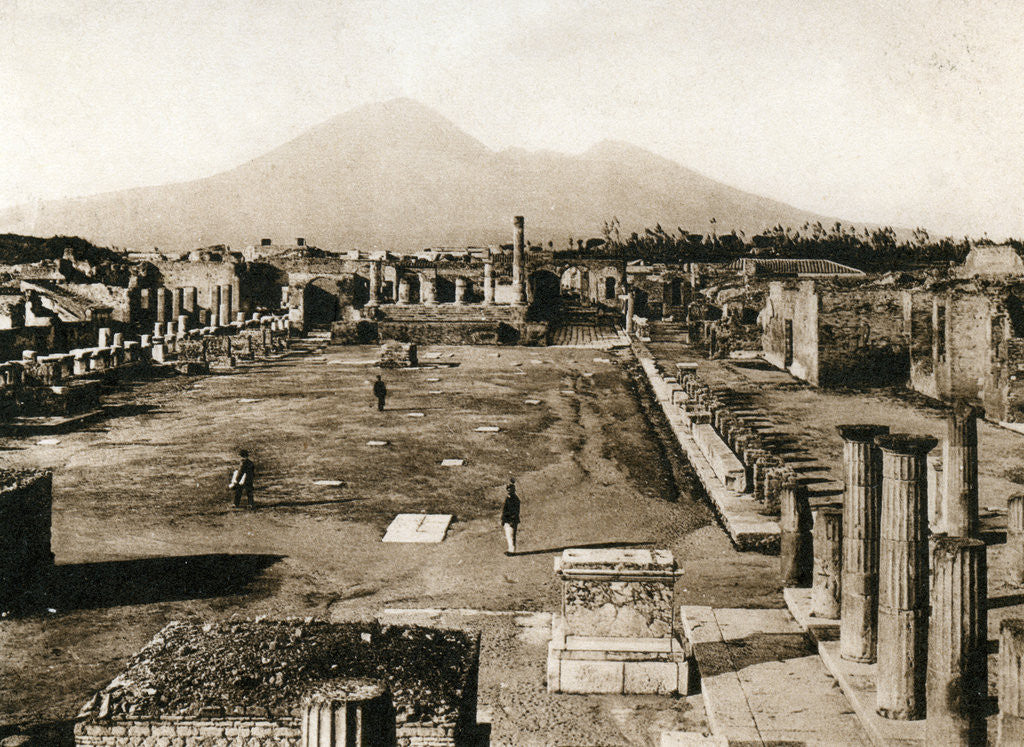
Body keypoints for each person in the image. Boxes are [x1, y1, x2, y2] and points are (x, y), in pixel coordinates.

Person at [501, 476, 521, 555]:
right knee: (508, 535)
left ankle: (512, 550)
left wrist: (512, 520)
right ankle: (510, 549)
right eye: (508, 490)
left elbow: (515, 511)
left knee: (511, 535)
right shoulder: (509, 498)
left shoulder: (514, 499)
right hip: (507, 520)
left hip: (511, 520)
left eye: (510, 490)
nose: (508, 491)